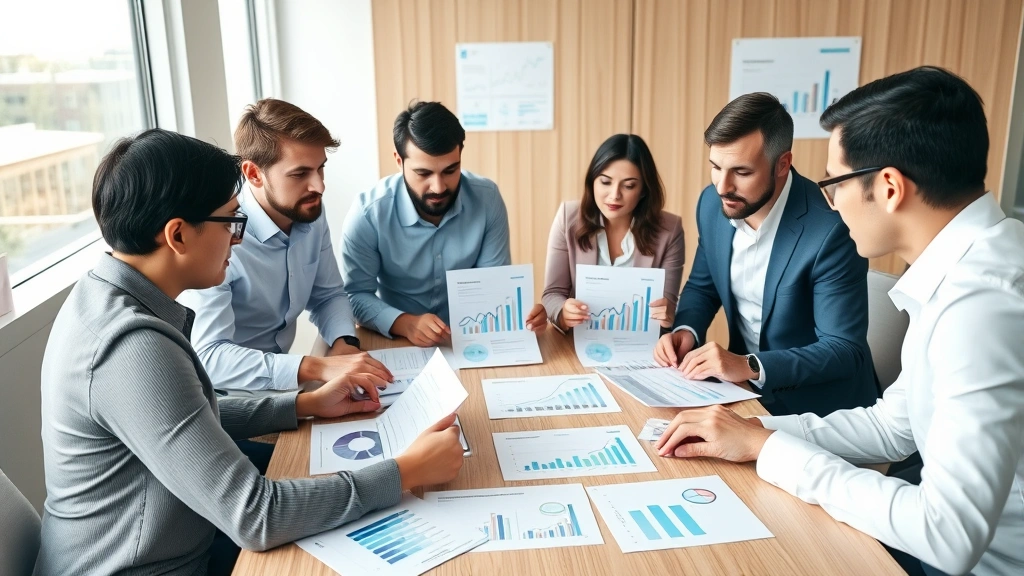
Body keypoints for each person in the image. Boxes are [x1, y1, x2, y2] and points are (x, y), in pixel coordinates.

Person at [35, 129, 465, 576]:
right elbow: (258, 517)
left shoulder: (102, 296)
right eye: (230, 222)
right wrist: (405, 472)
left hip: (179, 539)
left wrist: (305, 404)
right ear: (178, 235)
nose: (237, 239)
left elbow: (184, 418)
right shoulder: (132, 347)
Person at [655, 67, 1024, 576]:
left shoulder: (981, 306)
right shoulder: (968, 269)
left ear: (889, 187)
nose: (829, 201)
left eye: (835, 183)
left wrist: (770, 448)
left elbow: (948, 537)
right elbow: (893, 427)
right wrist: (753, 432)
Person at [653, 93, 876, 416]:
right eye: (716, 167)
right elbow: (703, 287)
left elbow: (843, 350)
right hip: (743, 394)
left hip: (821, 409)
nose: (722, 187)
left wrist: (749, 365)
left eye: (742, 172)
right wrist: (685, 331)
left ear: (782, 164)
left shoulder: (831, 229)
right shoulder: (712, 205)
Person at [178, 99, 390, 394]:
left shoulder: (308, 210)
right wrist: (316, 367)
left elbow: (327, 295)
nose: (319, 186)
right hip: (226, 401)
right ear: (253, 174)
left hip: (285, 389)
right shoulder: (219, 234)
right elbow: (210, 357)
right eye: (300, 174)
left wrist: (345, 343)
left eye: (320, 169)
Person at [341, 101, 546, 346]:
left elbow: (494, 285)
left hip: (472, 338)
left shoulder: (487, 199)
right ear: (399, 160)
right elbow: (354, 296)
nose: (438, 187)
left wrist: (522, 313)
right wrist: (405, 323)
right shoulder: (368, 214)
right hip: (398, 341)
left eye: (450, 170)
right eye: (423, 173)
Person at [543, 133, 685, 332]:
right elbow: (552, 294)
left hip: (638, 343)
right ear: (592, 182)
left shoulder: (670, 230)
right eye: (605, 182)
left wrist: (667, 314)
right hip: (578, 339)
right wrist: (563, 312)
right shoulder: (568, 217)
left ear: (644, 190)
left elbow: (667, 307)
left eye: (629, 186)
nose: (614, 195)